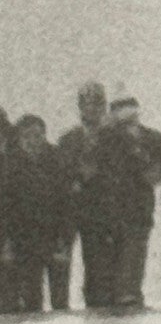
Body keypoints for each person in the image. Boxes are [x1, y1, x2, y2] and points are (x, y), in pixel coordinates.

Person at [85, 92, 161, 309]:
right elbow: (87, 172)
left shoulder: (153, 138)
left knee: (129, 287)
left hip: (136, 219)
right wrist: (100, 135)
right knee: (103, 287)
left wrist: (136, 147)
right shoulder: (104, 139)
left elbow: (155, 177)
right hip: (103, 223)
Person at [0, 116, 72, 313]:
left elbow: (67, 204)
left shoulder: (57, 159)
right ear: (20, 139)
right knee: (31, 298)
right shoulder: (11, 165)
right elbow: (6, 207)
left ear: (44, 136)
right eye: (27, 137)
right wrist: (7, 242)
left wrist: (65, 240)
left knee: (60, 298)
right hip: (25, 240)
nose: (33, 142)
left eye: (37, 136)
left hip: (54, 236)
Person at [57, 81, 111, 307]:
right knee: (61, 264)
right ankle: (60, 312)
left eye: (97, 104)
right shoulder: (68, 139)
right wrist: (78, 178)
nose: (92, 109)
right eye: (87, 104)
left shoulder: (112, 138)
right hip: (70, 210)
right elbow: (60, 174)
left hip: (99, 212)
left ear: (103, 107)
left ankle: (96, 311)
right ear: (80, 107)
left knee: (97, 268)